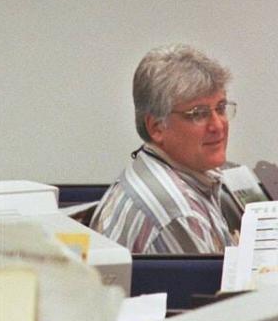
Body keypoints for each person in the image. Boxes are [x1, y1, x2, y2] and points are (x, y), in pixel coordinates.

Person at [89, 44, 238, 254]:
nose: (218, 125)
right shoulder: (177, 215)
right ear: (156, 127)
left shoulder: (174, 172)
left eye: (221, 108)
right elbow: (214, 287)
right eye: (198, 114)